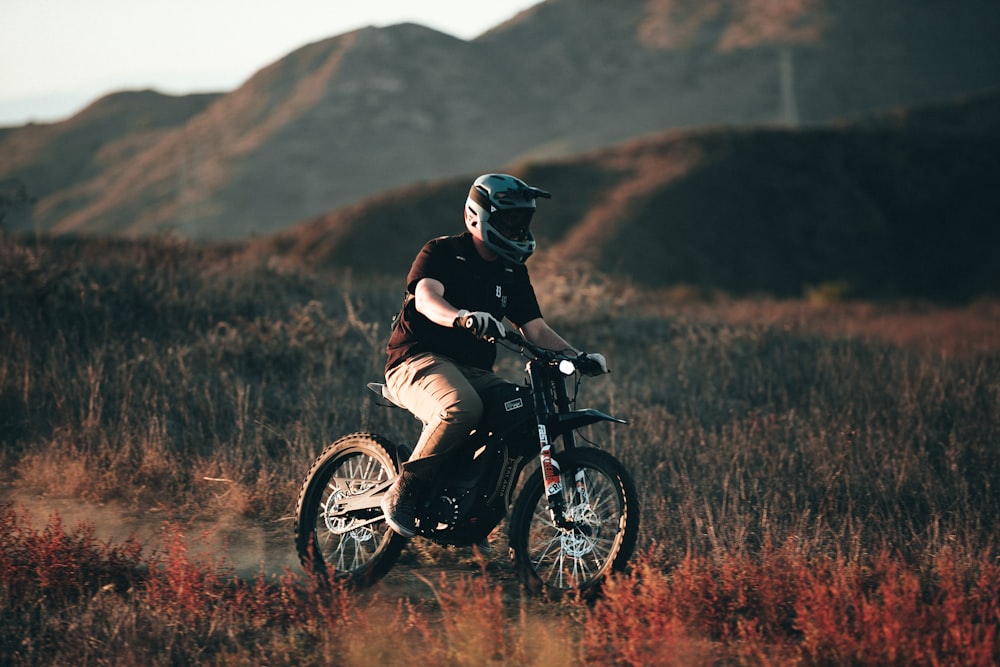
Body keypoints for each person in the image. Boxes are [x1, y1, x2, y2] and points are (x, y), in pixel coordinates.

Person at [379, 173, 609, 538]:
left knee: (521, 412)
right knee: (461, 407)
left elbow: (534, 329)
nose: (518, 229)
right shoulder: (441, 252)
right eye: (510, 220)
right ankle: (403, 491)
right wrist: (461, 317)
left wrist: (577, 356)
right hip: (417, 360)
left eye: (523, 221)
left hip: (473, 369)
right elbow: (426, 299)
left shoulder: (511, 271)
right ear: (478, 217)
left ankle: (468, 511)